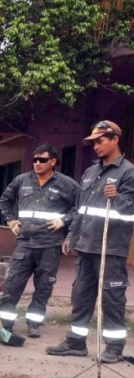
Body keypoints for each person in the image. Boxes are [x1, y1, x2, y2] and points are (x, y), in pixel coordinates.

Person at [46, 120, 134, 363]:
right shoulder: (90, 172)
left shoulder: (128, 172)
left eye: (100, 141)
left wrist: (117, 198)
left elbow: (131, 210)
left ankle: (114, 348)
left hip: (111, 248)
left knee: (111, 299)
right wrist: (72, 235)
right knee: (81, 296)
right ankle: (75, 343)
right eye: (93, 142)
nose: (96, 146)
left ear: (115, 139)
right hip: (86, 246)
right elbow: (80, 209)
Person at [0, 144, 79, 339]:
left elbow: (80, 207)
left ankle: (34, 324)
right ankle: (4, 323)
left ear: (53, 161)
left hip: (49, 246)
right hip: (24, 243)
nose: (37, 164)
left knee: (43, 287)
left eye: (42, 160)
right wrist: (11, 220)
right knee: (11, 285)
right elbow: (4, 201)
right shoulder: (21, 181)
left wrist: (63, 221)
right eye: (34, 160)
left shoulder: (67, 184)